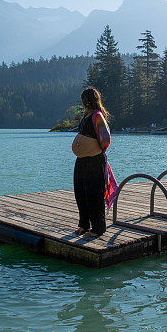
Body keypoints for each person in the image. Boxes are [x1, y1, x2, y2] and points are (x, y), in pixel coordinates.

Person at [71, 87, 115, 238]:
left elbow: (106, 138)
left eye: (85, 99)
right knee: (80, 193)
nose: (84, 102)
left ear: (89, 100)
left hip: (94, 161)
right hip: (82, 161)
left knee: (94, 194)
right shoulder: (86, 115)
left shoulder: (97, 115)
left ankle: (98, 228)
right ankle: (83, 225)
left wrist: (94, 150)